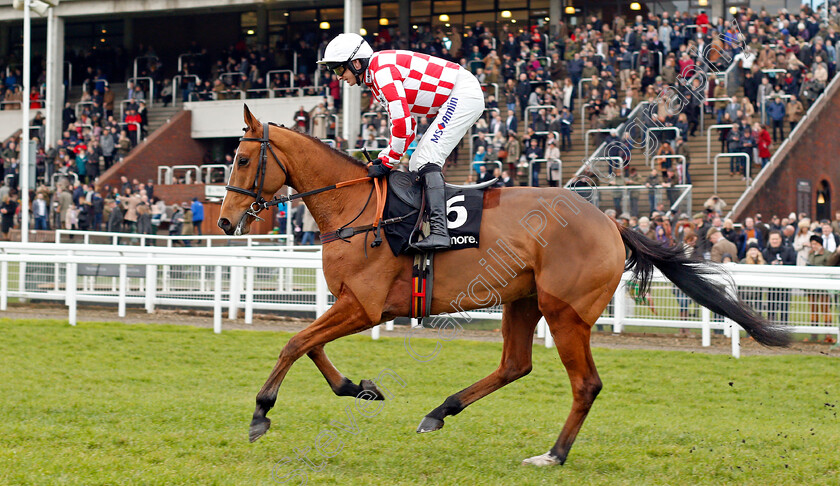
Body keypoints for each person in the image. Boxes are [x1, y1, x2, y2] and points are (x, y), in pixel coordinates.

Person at [318, 33, 485, 251]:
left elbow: (403, 125)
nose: (338, 76)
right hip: (459, 93)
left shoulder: (381, 72)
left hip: (462, 94)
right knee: (417, 162)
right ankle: (430, 226)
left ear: (356, 63)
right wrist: (386, 157)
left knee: (426, 158)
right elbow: (408, 128)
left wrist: (387, 161)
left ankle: (440, 232)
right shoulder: (376, 75)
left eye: (339, 69)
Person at [762, 231, 796, 324]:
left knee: (784, 308)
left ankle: (783, 330)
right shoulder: (765, 252)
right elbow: (762, 265)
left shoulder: (788, 250)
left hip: (785, 283)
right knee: (771, 308)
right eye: (773, 239)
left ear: (780, 239)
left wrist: (783, 264)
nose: (775, 241)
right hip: (771, 284)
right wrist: (770, 264)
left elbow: (793, 263)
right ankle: (771, 330)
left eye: (776, 239)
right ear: (769, 240)